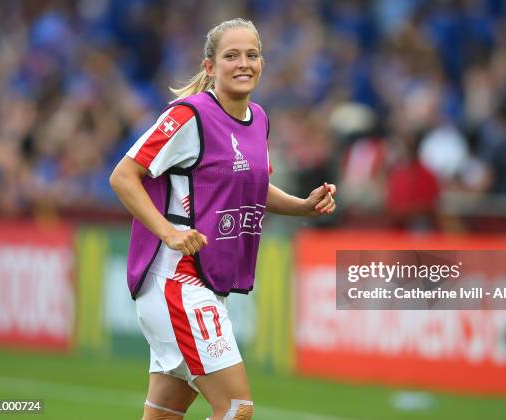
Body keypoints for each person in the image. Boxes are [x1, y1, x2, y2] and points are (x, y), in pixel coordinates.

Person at [109, 18, 336, 420]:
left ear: (263, 63)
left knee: (165, 413)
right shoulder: (188, 115)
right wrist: (168, 233)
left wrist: (302, 205)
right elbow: (124, 176)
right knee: (236, 407)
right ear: (210, 67)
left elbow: (251, 186)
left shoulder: (259, 118)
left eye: (252, 55)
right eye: (231, 56)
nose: (243, 63)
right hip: (177, 279)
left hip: (207, 282)